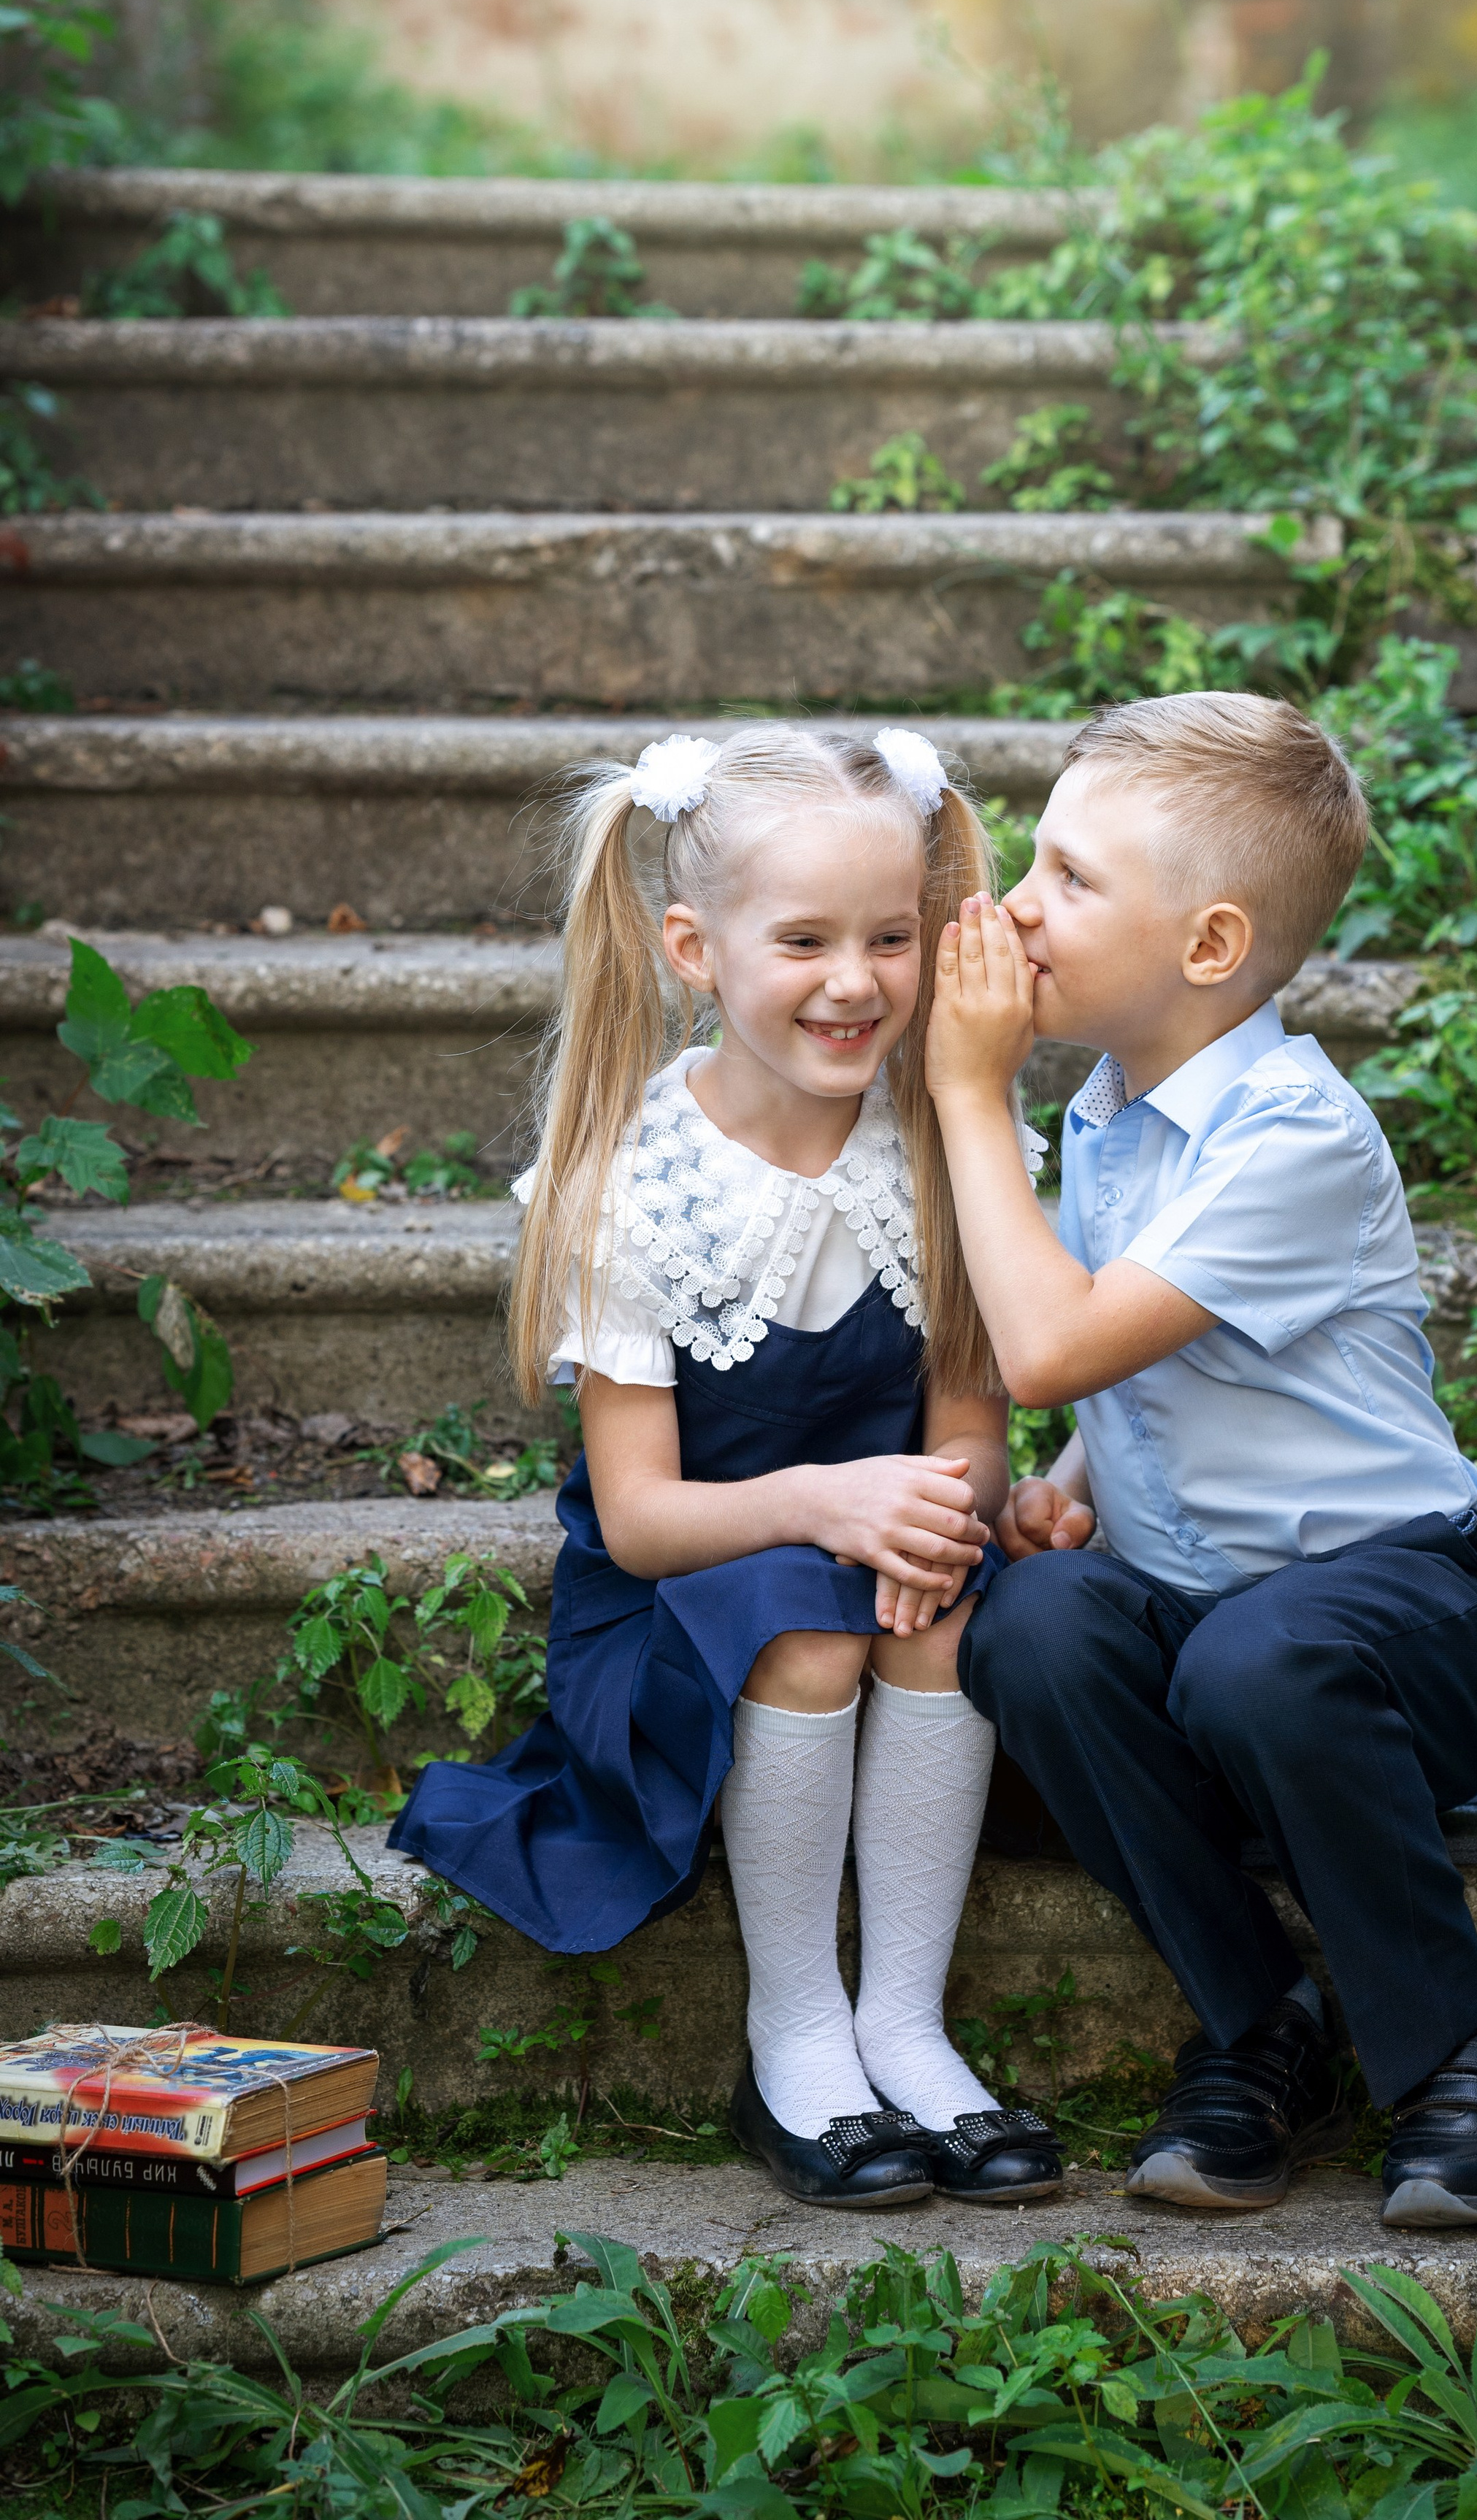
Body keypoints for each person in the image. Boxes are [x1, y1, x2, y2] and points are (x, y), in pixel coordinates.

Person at [924, 690, 1477, 2229]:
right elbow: (1141, 1362)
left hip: (1413, 1626)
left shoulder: (1294, 1131)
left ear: (1207, 948)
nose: (1016, 904)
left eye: (1069, 879)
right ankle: (1257, 2019)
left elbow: (1050, 1344)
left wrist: (965, 1090)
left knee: (1256, 1661)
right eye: (1033, 861)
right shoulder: (1110, 1117)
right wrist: (1076, 1481)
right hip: (1220, 1635)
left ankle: (1460, 2064)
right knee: (1030, 1627)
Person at [390, 723, 1060, 2210]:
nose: (854, 980)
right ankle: (798, 2031)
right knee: (811, 1630)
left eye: (890, 937)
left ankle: (904, 2017)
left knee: (941, 1611)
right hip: (687, 1589)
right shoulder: (637, 1188)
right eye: (804, 939)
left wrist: (943, 1511)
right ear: (694, 947)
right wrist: (831, 1504)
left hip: (877, 1540)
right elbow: (637, 1520)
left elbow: (967, 1410)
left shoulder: (942, 1137)